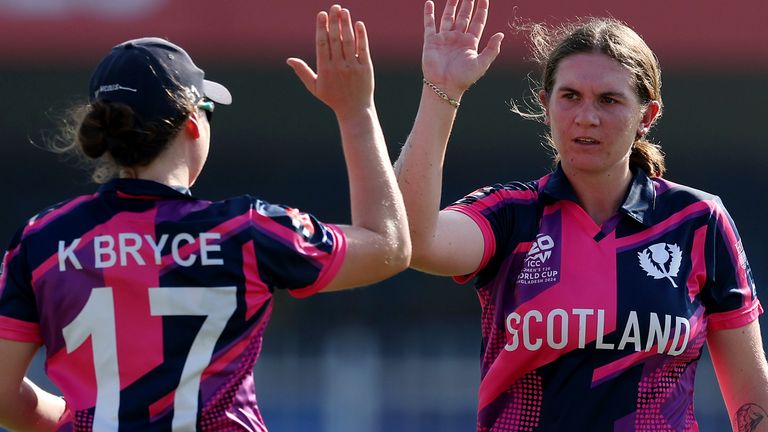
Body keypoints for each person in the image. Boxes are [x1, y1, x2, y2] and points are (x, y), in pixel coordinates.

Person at [0, 4, 410, 431]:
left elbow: (3, 396)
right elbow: (390, 246)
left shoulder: (41, 241)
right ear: (193, 122)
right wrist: (356, 112)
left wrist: (86, 422)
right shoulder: (247, 229)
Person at [394, 0, 768, 430]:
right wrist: (441, 92)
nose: (586, 117)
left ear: (647, 116)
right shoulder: (511, 215)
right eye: (570, 96)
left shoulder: (697, 221)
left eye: (609, 100)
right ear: (546, 104)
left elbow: (753, 404)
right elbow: (411, 238)